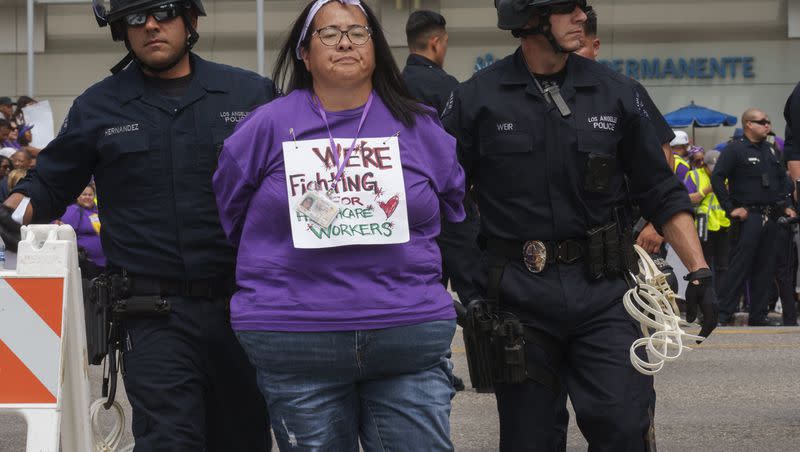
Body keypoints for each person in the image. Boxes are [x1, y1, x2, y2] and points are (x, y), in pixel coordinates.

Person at [0, 0, 276, 449]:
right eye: (134, 18)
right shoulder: (99, 106)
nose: (150, 25)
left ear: (190, 18)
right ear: (120, 31)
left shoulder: (250, 96)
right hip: (153, 314)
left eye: (163, 11)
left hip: (244, 309)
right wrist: (15, 209)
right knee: (169, 439)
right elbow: (48, 183)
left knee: (243, 437)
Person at [442, 0, 716, 450]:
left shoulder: (619, 93)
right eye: (566, 9)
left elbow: (660, 189)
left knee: (624, 426)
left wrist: (699, 271)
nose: (581, 19)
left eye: (582, 8)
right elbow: (444, 197)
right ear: (528, 19)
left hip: (606, 293)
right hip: (516, 302)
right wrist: (471, 289)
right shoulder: (476, 98)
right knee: (529, 441)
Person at [213, 1, 465, 450]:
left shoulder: (420, 126)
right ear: (304, 55)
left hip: (405, 333)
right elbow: (230, 210)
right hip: (296, 336)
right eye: (328, 34)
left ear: (376, 47)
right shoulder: (265, 128)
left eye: (358, 32)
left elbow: (453, 205)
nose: (345, 41)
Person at [402, 10, 484, 310]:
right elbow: (461, 146)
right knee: (477, 296)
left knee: (422, 297)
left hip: (409, 207)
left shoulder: (391, 87)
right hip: (452, 208)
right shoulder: (448, 88)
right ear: (436, 43)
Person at [712, 108, 796, 326]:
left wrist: (787, 205)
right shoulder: (735, 149)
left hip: (771, 217)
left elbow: (782, 181)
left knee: (765, 269)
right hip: (747, 217)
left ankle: (758, 316)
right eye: (762, 121)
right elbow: (717, 178)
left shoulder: (770, 150)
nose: (767, 125)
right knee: (739, 268)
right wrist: (729, 208)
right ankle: (721, 315)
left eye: (768, 121)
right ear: (749, 124)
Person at [685, 149, 730, 296]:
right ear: (704, 165)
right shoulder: (695, 176)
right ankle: (705, 300)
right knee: (704, 267)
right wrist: (706, 191)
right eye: (711, 169)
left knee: (724, 266)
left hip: (724, 226)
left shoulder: (727, 177)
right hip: (703, 228)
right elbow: (686, 199)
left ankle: (721, 300)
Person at [57, 184, 106, 278]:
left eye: (90, 195)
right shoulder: (73, 211)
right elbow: (64, 234)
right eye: (84, 194)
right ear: (78, 196)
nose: (87, 197)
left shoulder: (97, 211)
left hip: (103, 263)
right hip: (86, 264)